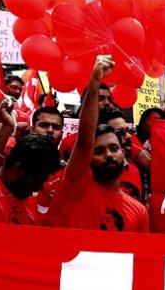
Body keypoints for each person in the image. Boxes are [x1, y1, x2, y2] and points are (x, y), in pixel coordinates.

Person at [44, 57, 148, 232]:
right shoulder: (76, 187)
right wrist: (94, 82)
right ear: (88, 159)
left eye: (114, 148)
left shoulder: (139, 211)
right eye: (99, 151)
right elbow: (85, 140)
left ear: (124, 152)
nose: (108, 154)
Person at [0, 101, 62, 224]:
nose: (40, 187)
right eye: (37, 179)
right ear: (18, 169)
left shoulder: (28, 199)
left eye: (56, 127)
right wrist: (8, 127)